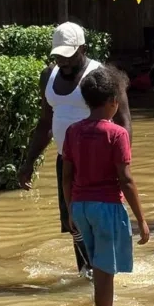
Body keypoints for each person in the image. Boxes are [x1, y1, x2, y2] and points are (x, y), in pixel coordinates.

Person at [18, 22, 132, 276]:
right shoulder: (48, 76)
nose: (64, 63)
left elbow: (123, 120)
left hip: (99, 164)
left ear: (83, 49)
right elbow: (45, 122)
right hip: (66, 162)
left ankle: (103, 271)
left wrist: (123, 165)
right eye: (59, 57)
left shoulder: (101, 76)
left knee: (100, 219)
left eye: (69, 57)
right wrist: (29, 163)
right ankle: (87, 273)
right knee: (74, 220)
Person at [62, 66, 148, 306]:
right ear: (114, 102)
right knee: (105, 272)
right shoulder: (117, 134)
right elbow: (126, 179)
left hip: (80, 207)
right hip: (107, 208)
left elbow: (67, 176)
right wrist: (141, 220)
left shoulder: (73, 131)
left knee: (97, 267)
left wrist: (70, 211)